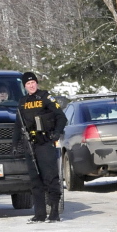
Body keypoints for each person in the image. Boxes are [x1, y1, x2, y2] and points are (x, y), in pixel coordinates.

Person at [15, 71, 67, 223]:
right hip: (30, 145)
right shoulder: (23, 102)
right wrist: (14, 143)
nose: (31, 86)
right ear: (24, 86)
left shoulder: (46, 98)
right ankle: (39, 214)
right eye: (28, 84)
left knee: (50, 178)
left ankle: (55, 212)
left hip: (45, 142)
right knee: (35, 180)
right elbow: (18, 125)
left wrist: (56, 134)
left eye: (33, 83)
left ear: (36, 83)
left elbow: (61, 117)